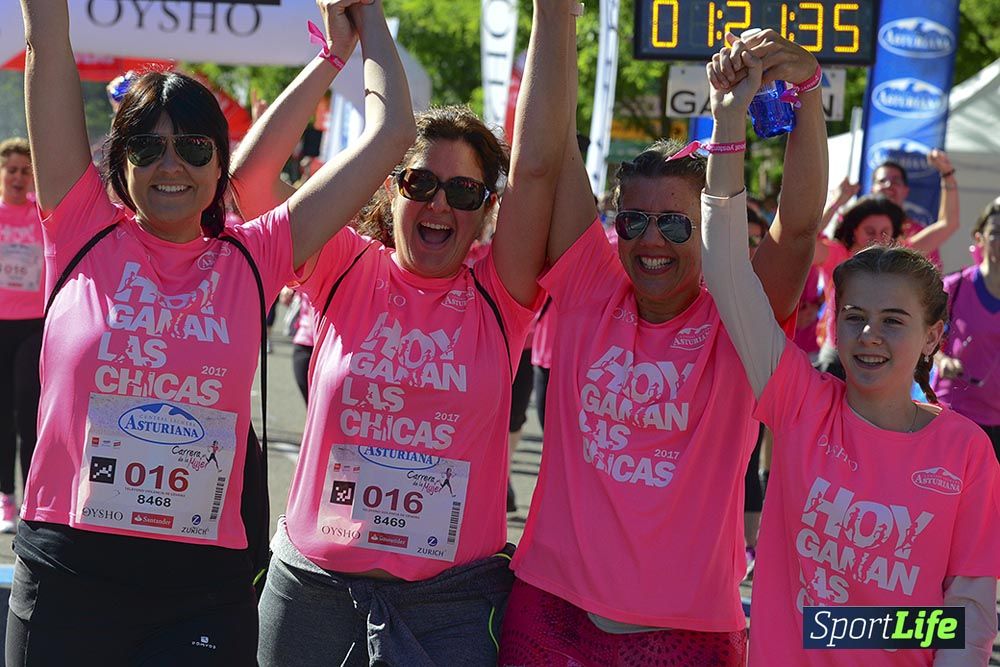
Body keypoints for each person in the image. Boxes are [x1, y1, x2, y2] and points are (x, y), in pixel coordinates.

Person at [10, 0, 413, 664]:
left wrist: (353, 32)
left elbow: (391, 133)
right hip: (69, 572)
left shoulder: (254, 255)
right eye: (148, 147)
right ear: (120, 163)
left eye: (195, 147)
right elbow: (45, 35)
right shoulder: (80, 223)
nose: (171, 164)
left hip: (199, 588)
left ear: (219, 164)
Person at [230, 1, 564, 663]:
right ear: (392, 190)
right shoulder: (345, 264)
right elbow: (248, 185)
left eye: (464, 192)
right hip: (311, 593)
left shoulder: (502, 296)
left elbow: (536, 167)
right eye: (422, 182)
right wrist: (341, 48)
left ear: (485, 209)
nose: (441, 203)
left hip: (451, 605)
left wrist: (556, 15)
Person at [500, 22, 827, 665]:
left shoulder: (741, 320)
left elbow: (797, 230)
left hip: (687, 630)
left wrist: (809, 94)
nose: (651, 240)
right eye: (635, 220)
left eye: (676, 222)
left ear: (707, 228)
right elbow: (549, 149)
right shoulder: (593, 284)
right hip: (549, 609)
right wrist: (558, 12)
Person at [700, 39, 1000, 666]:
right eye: (855, 316)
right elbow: (727, 267)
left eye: (894, 321)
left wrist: (840, 631)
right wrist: (730, 123)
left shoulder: (966, 450)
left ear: (934, 335)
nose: (869, 335)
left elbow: (968, 619)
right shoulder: (798, 401)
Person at [933, 200, 1000, 458]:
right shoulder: (954, 286)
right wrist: (941, 360)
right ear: (979, 237)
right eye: (996, 232)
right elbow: (921, 339)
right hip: (956, 410)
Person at [0, 138, 43, 534]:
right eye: (11, 170)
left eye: (24, 171)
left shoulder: (40, 214)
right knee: (2, 416)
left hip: (34, 325)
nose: (17, 177)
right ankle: (5, 499)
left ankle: (31, 497)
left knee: (28, 415)